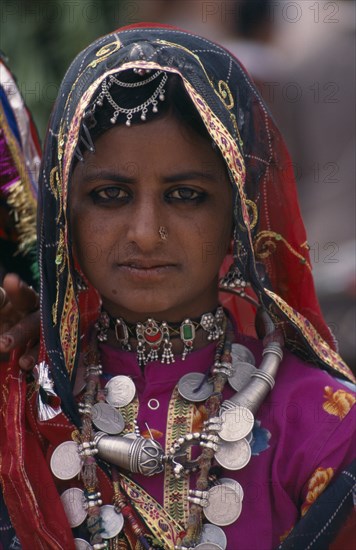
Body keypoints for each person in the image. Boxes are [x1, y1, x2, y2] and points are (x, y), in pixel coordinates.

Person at [0, 24, 355, 550]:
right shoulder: (25, 407)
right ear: (63, 211)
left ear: (239, 211)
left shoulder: (320, 423)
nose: (145, 233)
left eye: (186, 195)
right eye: (110, 194)